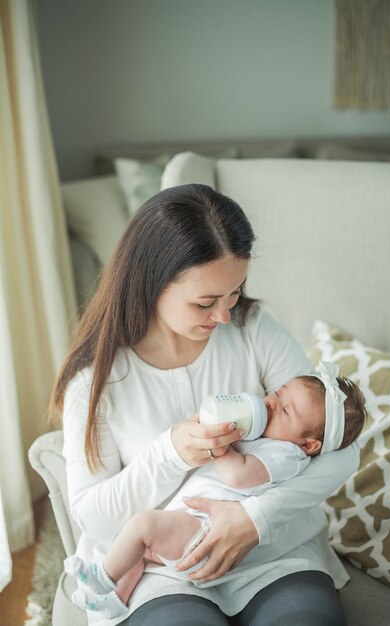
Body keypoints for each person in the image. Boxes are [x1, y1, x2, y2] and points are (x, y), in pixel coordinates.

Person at [51, 183, 360, 626]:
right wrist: (170, 453)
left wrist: (255, 519)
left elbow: (342, 446)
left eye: (234, 292)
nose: (224, 316)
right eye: (204, 302)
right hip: (159, 571)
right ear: (151, 284)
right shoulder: (96, 382)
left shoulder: (253, 329)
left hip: (273, 554)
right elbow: (94, 519)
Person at [63, 362, 366, 620]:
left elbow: (238, 475)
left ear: (309, 444)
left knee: (143, 526)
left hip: (206, 532)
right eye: (276, 393)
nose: (270, 403)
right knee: (140, 551)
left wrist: (221, 445)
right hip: (191, 528)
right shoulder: (272, 435)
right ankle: (114, 600)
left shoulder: (286, 454)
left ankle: (102, 577)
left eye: (285, 410)